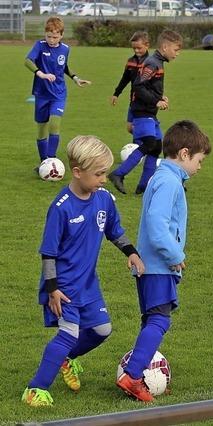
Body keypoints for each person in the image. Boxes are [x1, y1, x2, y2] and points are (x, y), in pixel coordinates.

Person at [22, 136, 144, 407]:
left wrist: (132, 253)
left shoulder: (104, 199)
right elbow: (48, 252)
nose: (104, 178)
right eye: (99, 173)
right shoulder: (61, 207)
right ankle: (35, 388)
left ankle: (68, 359)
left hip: (88, 283)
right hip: (63, 286)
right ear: (77, 172)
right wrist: (52, 288)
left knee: (102, 330)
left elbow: (115, 231)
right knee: (67, 334)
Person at [116, 120, 211, 402]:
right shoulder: (170, 182)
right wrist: (175, 255)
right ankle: (132, 376)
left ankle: (139, 375)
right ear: (184, 154)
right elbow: (158, 224)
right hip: (159, 266)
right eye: (199, 160)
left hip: (150, 266)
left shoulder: (162, 177)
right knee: (159, 320)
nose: (199, 166)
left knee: (151, 320)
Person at [108, 30, 183, 195]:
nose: (178, 54)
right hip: (142, 111)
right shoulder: (152, 63)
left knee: (156, 147)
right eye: (176, 50)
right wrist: (156, 101)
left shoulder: (157, 62)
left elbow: (148, 86)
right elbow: (138, 86)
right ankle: (118, 174)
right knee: (149, 144)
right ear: (165, 47)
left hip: (150, 112)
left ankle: (142, 187)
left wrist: (160, 97)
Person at [25, 17, 91, 171]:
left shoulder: (65, 49)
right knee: (41, 129)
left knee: (54, 124)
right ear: (45, 34)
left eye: (55, 37)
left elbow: (64, 66)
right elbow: (28, 61)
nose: (51, 40)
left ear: (61, 35)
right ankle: (44, 162)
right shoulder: (40, 46)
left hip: (58, 94)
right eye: (49, 36)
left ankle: (51, 159)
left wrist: (75, 78)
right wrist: (40, 74)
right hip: (42, 93)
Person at [111, 31, 150, 136]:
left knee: (139, 127)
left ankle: (145, 145)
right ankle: (148, 141)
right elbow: (125, 78)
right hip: (133, 100)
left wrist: (159, 96)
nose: (136, 51)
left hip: (146, 102)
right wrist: (116, 93)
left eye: (139, 48)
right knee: (130, 128)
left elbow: (156, 83)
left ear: (147, 45)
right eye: (134, 48)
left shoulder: (151, 63)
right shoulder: (131, 61)